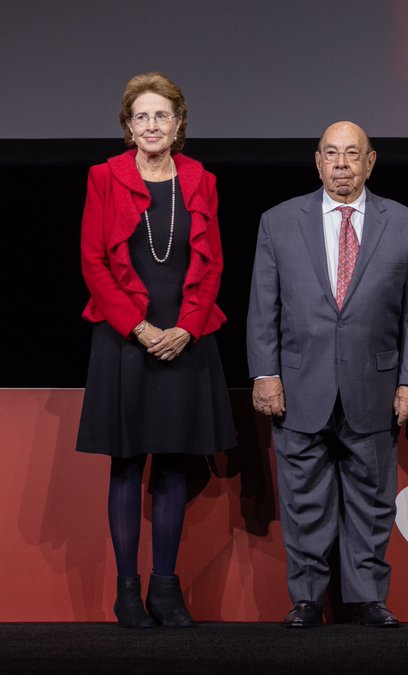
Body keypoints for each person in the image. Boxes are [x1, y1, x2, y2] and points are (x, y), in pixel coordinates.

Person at [246, 121, 408, 628]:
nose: (342, 164)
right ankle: (306, 599)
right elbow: (264, 309)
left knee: (372, 502)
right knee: (303, 499)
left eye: (353, 154)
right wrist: (264, 374)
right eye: (332, 154)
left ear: (370, 163)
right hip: (299, 384)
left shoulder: (407, 224)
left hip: (374, 384)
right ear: (318, 161)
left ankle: (368, 598)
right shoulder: (279, 222)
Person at [77, 72, 236, 628]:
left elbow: (213, 262)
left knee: (172, 463)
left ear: (178, 124)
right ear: (127, 126)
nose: (151, 125)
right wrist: (138, 328)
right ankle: (127, 591)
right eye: (140, 116)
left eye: (161, 116)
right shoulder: (105, 176)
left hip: (184, 338)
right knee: (127, 463)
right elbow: (93, 263)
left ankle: (165, 590)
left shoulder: (200, 178)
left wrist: (188, 327)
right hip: (126, 339)